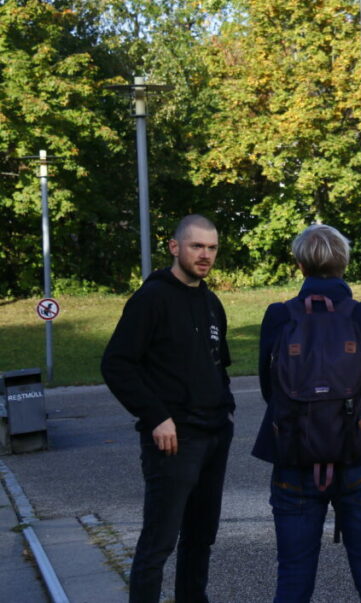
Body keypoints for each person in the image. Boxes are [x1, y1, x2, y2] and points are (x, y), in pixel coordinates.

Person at [251, 224, 361, 603]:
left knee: (294, 575)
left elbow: (271, 389)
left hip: (295, 454)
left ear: (300, 265)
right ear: (344, 263)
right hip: (357, 453)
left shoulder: (279, 316)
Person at [101, 214, 235, 603]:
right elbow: (116, 364)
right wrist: (156, 416)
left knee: (200, 539)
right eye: (197, 246)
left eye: (211, 248)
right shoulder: (151, 299)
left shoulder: (211, 302)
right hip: (174, 439)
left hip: (213, 435)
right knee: (159, 542)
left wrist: (225, 413)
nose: (205, 255)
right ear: (175, 247)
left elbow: (217, 365)